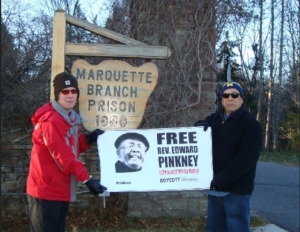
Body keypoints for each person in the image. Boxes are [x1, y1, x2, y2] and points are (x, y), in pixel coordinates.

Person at [26, 72, 107, 232]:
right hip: (46, 191)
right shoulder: (51, 121)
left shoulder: (69, 118)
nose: (70, 95)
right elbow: (64, 157)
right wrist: (88, 180)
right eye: (65, 91)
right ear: (57, 94)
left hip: (60, 189)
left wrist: (88, 139)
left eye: (73, 91)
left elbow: (71, 147)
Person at [194, 81, 262, 232]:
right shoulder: (214, 120)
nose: (230, 98)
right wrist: (197, 128)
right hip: (214, 191)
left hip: (236, 192)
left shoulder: (251, 125)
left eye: (234, 95)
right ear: (221, 99)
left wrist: (220, 179)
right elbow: (198, 140)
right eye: (226, 95)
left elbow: (246, 159)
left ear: (242, 99)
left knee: (237, 228)